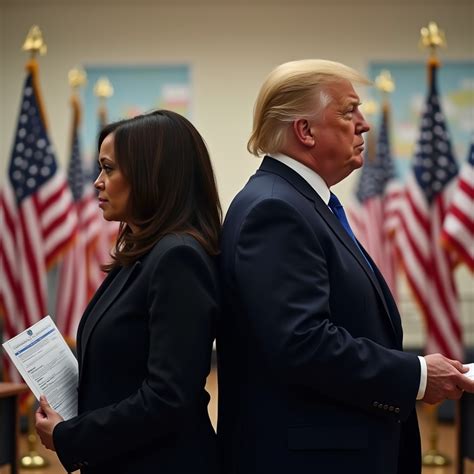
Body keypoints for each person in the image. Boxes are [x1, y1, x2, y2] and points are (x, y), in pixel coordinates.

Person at [217, 59, 474, 474]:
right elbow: (303, 343)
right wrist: (418, 375)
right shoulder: (276, 209)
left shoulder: (297, 202)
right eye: (348, 111)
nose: (364, 124)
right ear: (305, 131)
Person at [35, 110, 222, 474]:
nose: (97, 183)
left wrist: (70, 435)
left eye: (108, 168)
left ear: (151, 175)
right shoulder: (143, 252)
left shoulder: (178, 257)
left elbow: (169, 398)